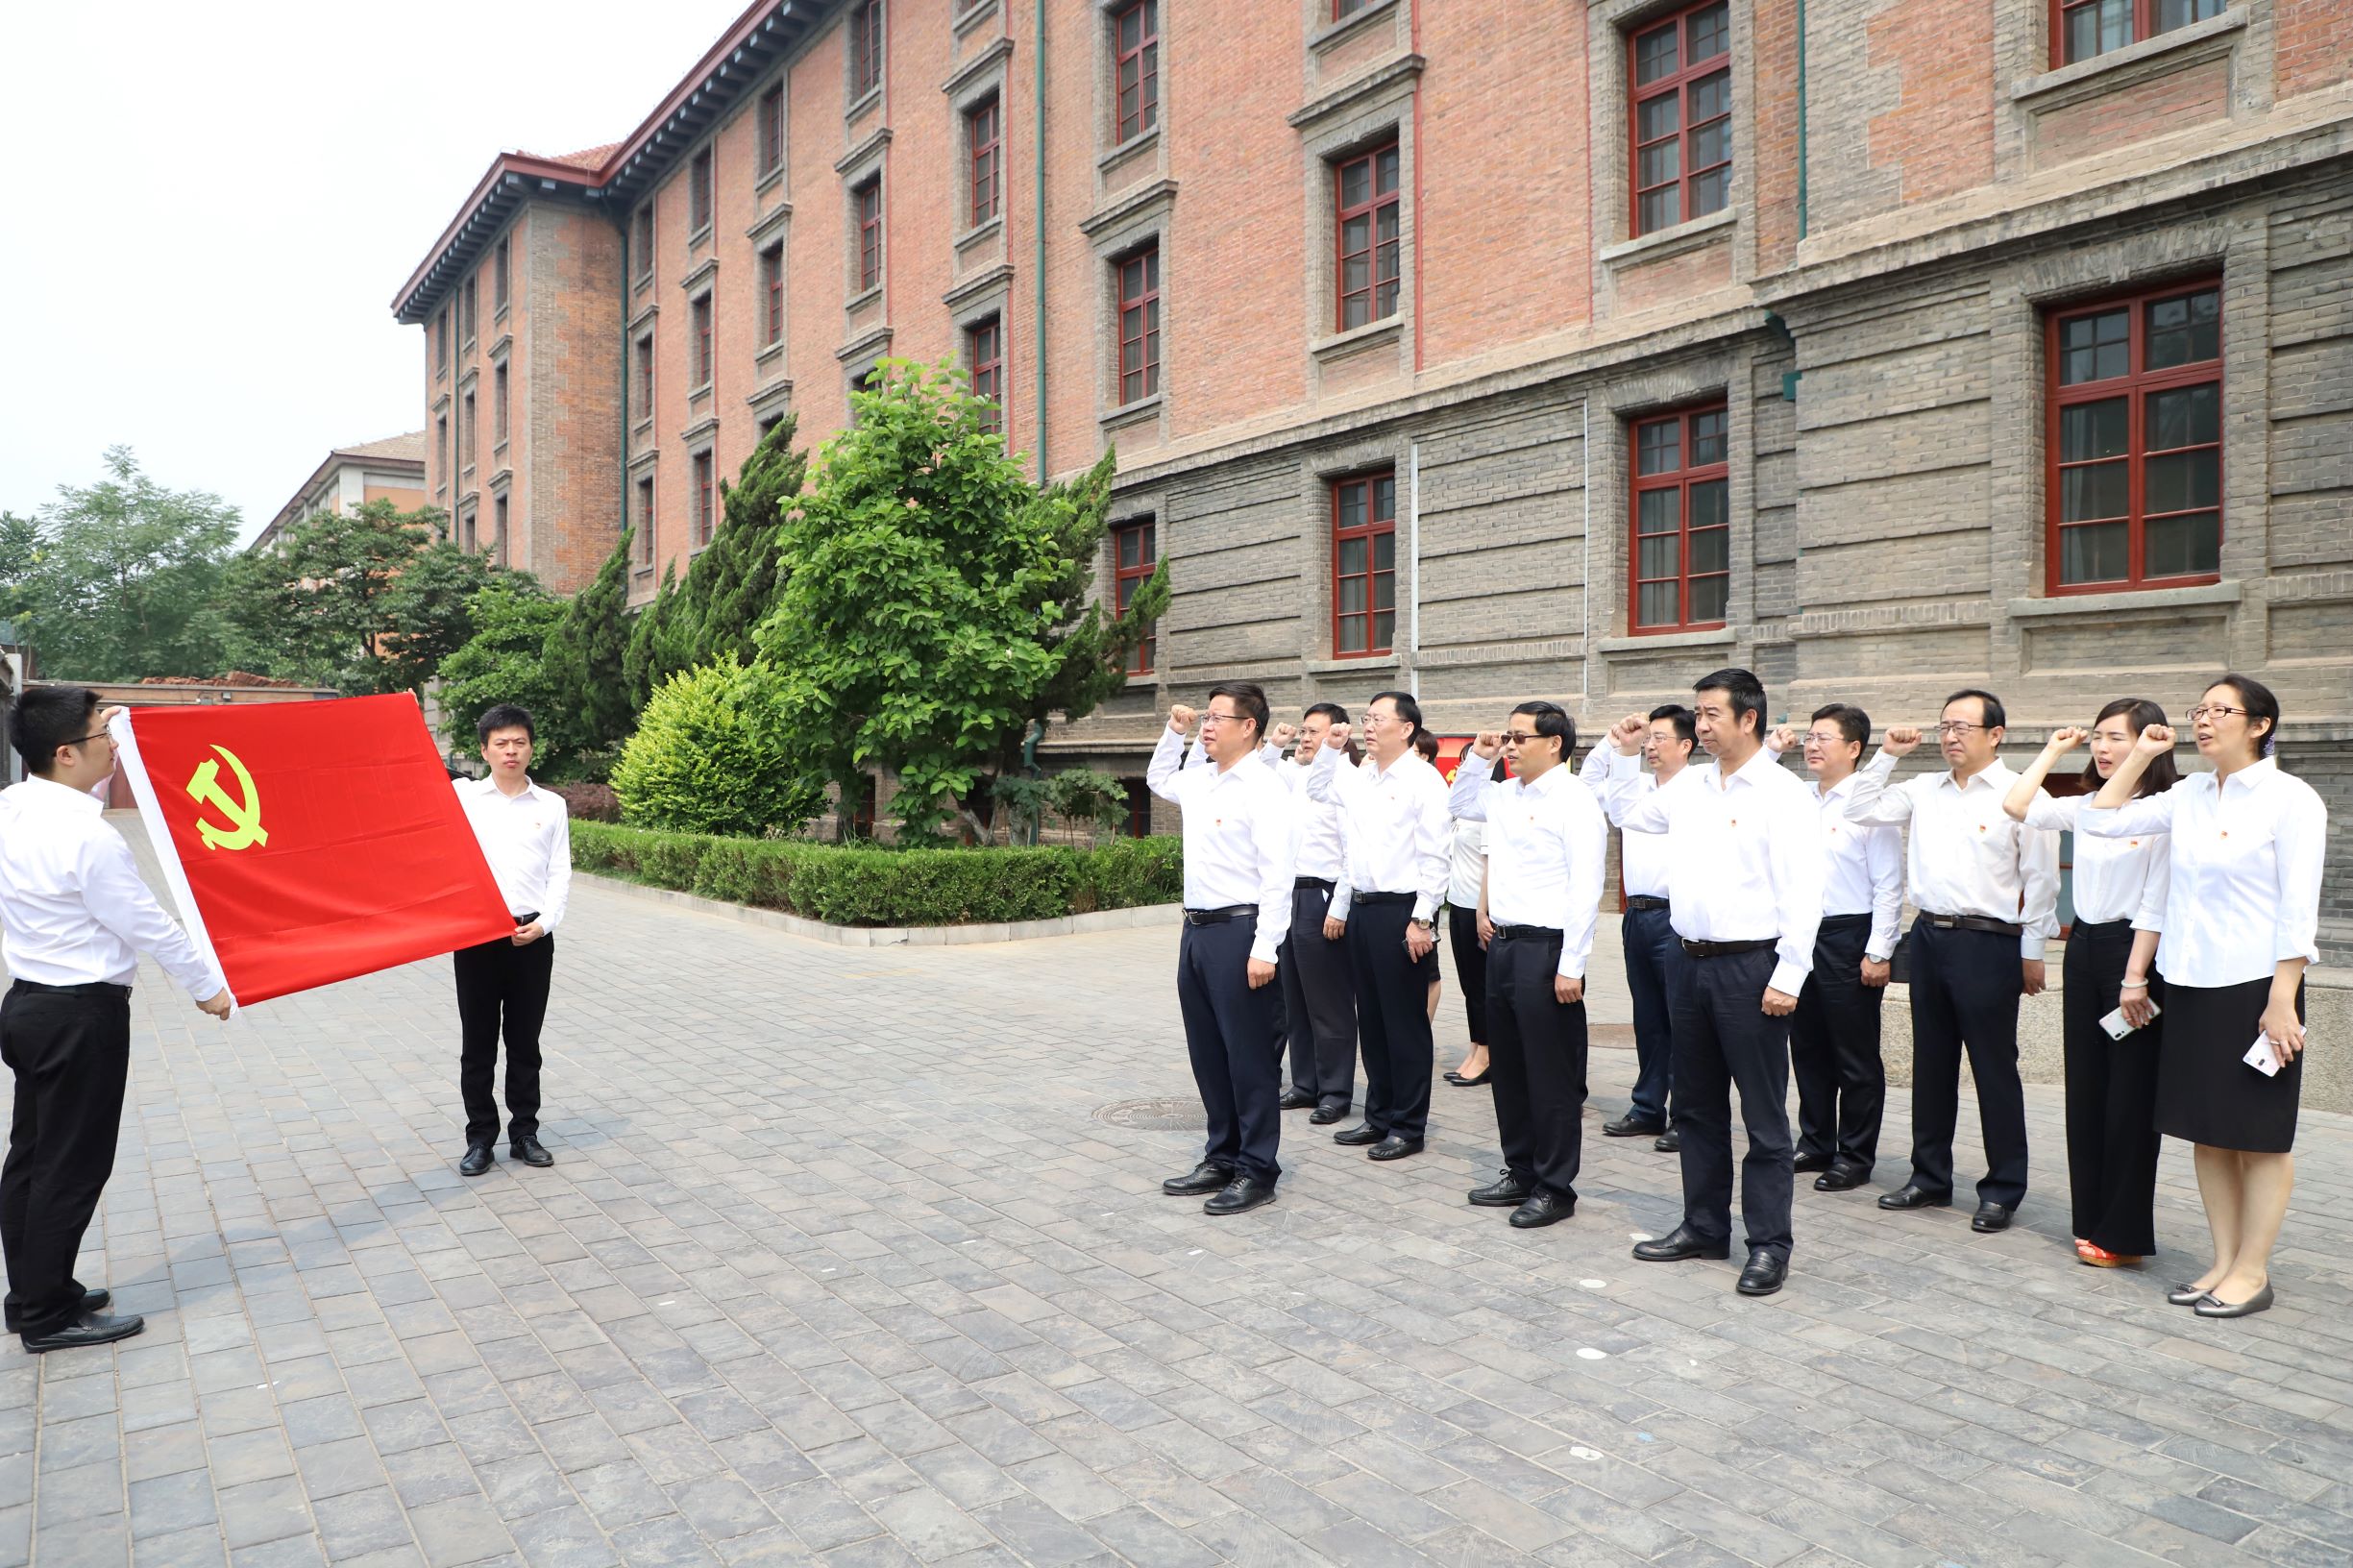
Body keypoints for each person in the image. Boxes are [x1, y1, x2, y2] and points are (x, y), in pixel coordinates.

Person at [2080, 675, 2325, 1318]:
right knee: (2208, 1135)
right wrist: (2140, 753)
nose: (2204, 720)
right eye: (2199, 709)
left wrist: (2282, 999)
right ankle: (2221, 1262)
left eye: (2221, 710)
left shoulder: (2290, 800)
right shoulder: (2187, 793)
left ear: (2259, 725)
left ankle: (2252, 1271)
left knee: (2259, 1137)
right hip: (2188, 984)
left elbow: (2297, 911)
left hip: (2255, 988)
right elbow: (2097, 819)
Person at [0, 687, 232, 1354]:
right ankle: (47, 1317)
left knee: (32, 1158)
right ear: (66, 753)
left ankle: (34, 1294)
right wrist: (207, 987)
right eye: (102, 736)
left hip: (30, 1006)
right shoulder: (86, 836)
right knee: (71, 1167)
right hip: (80, 1017)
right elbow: (146, 922)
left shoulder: (14, 807)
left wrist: (105, 723)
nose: (114, 745)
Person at [1594, 669, 1825, 1297]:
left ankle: (1768, 1244)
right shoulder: (1690, 785)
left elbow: (1805, 890)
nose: (1700, 726)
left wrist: (1790, 973)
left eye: (1711, 714)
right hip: (1686, 961)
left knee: (1762, 1114)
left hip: (1752, 968)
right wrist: (1622, 754)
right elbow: (1628, 814)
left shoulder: (1782, 794)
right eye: (1697, 715)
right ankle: (1702, 1225)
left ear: (1749, 718)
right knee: (1694, 1105)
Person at [1845, 690, 2058, 1234]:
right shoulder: (1923, 788)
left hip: (1989, 943)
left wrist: (2033, 951)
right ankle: (1930, 1176)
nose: (1951, 736)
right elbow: (1859, 809)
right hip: (1929, 937)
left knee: (1993, 1068)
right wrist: (1887, 754)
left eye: (1963, 727)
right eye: (1945, 726)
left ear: (1996, 734)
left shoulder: (2020, 793)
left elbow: (2041, 881)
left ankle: (2003, 1188)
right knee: (1931, 1064)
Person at [2002, 702, 2176, 1267]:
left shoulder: (2164, 812)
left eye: (2116, 738)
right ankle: (2090, 1221)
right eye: (2098, 737)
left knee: (2129, 1097)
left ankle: (2123, 1234)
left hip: (2135, 955)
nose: (2102, 748)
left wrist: (2135, 977)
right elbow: (2016, 804)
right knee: (2087, 1089)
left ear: (2147, 744)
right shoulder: (2085, 807)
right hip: (2083, 949)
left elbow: (2156, 902)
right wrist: (2054, 749)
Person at [1447, 704, 1607, 1228]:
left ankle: (1555, 1186)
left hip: (1548, 949)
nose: (1511, 747)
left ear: (1555, 743)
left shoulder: (1574, 799)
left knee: (1550, 1073)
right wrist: (1479, 756)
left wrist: (1572, 964)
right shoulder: (1503, 795)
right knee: (1511, 1069)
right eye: (1508, 737)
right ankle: (1520, 1169)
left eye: (1520, 738)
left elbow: (1586, 886)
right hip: (1503, 945)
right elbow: (1459, 802)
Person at [1146, 685, 1294, 1214]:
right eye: (1205, 717)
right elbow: (1157, 779)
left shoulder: (1265, 787)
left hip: (1241, 931)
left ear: (1249, 726)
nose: (1207, 726)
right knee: (1208, 1053)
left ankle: (1257, 1168)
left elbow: (1278, 876)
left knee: (1249, 1057)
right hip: (1196, 931)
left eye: (1217, 718)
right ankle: (1222, 1155)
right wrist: (1174, 732)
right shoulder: (1201, 778)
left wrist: (1266, 948)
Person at [1308, 692, 1451, 1162]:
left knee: (1404, 1023)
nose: (1368, 726)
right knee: (1370, 1019)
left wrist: (1422, 919)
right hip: (1363, 909)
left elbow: (1435, 856)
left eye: (1378, 719)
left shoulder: (1424, 780)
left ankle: (1408, 1126)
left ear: (1407, 728)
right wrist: (1331, 747)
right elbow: (1317, 788)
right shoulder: (1361, 777)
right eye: (1365, 718)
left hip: (1402, 912)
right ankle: (1379, 1116)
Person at [1770, 706, 1902, 1193]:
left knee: (1854, 1053)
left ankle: (1855, 1155)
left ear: (1853, 748)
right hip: (1800, 934)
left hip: (1849, 936)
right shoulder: (1799, 799)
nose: (1812, 745)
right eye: (1809, 737)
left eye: (1824, 737)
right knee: (1807, 1047)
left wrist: (1879, 950)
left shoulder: (1870, 806)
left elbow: (1888, 884)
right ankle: (1816, 1141)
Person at [452, 705, 572, 1177]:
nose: (510, 751)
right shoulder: (464, 798)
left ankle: (524, 1133)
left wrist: (545, 923)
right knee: (478, 1045)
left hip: (532, 938)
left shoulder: (551, 805)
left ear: (531, 748)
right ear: (484, 750)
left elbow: (559, 872)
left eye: (519, 742)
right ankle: (480, 1138)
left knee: (525, 1043)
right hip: (477, 939)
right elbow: (411, 778)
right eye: (500, 743)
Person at [1583, 704, 1694, 1151]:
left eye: (1659, 738)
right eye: (1649, 739)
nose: (1650, 746)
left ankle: (1686, 1115)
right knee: (1647, 1018)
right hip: (1637, 916)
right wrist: (1614, 743)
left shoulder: (1699, 788)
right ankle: (1648, 1106)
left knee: (1681, 1020)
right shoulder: (1635, 786)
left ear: (1686, 745)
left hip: (1676, 917)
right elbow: (1588, 785)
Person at [1271, 703, 1358, 1125]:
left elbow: (1353, 851)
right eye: (1303, 731)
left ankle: (1335, 1092)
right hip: (1291, 895)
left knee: (1329, 1003)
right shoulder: (1298, 776)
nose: (1304, 739)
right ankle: (1305, 1083)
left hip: (1323, 897)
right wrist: (1276, 744)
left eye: (1313, 732)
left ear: (1337, 735)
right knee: (1295, 999)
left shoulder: (1348, 781)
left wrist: (1339, 906)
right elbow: (1261, 771)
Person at [1442, 755, 1497, 1090]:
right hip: (1459, 904)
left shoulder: (1490, 805)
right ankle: (1476, 1047)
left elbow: (1491, 864)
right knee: (1468, 985)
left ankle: (1488, 1054)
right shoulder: (1463, 810)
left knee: (1481, 986)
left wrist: (1482, 911)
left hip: (1478, 906)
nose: (1465, 770)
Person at [1414, 730, 1448, 1031]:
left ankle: (1424, 1026)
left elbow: (1437, 855)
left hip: (1424, 899)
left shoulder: (1431, 786)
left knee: (1428, 971)